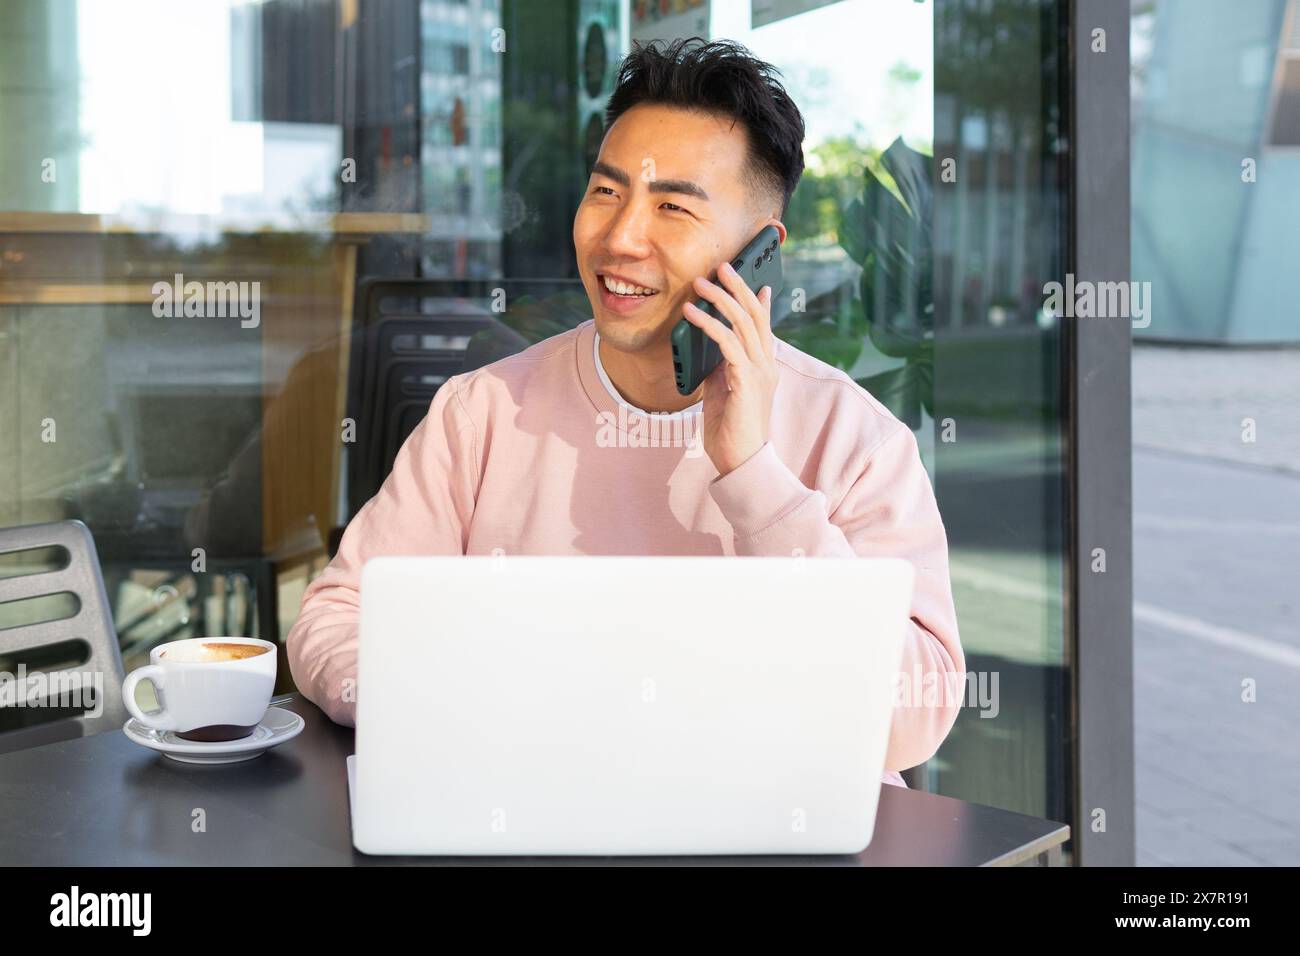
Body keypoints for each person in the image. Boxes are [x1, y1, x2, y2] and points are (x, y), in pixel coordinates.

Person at [287, 38, 964, 789]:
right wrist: (450, 707)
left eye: (672, 206)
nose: (619, 237)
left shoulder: (856, 439)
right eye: (607, 192)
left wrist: (755, 476)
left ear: (761, 253)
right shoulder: (479, 414)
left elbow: (915, 714)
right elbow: (335, 618)